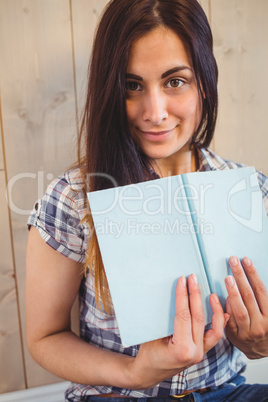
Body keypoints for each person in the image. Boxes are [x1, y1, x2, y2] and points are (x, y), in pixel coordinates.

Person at [26, 0, 268, 401]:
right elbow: (44, 337)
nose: (154, 113)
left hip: (225, 390)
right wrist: (134, 372)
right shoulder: (73, 198)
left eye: (175, 81)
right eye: (131, 86)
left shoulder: (250, 191)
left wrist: (259, 343)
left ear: (204, 82)